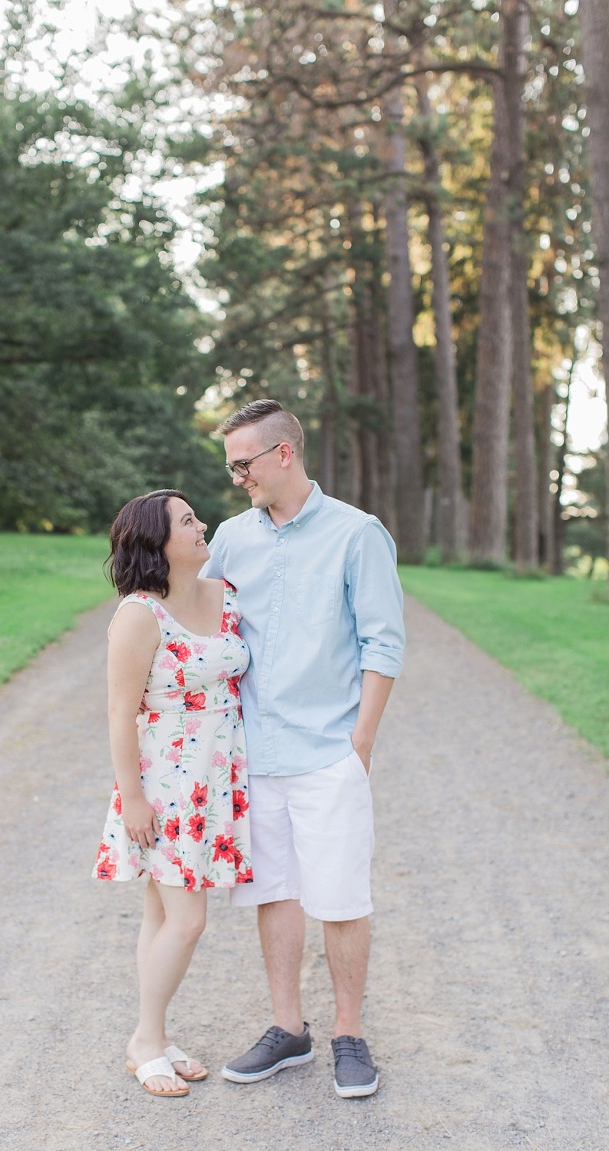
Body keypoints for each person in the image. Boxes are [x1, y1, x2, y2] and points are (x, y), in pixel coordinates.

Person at [203, 399, 405, 1099]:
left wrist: (361, 742)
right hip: (255, 751)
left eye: (244, 464)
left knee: (341, 898)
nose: (238, 478)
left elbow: (383, 642)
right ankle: (288, 1028)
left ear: (283, 453)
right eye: (232, 467)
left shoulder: (358, 533)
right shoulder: (231, 537)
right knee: (274, 891)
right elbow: (200, 619)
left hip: (328, 751)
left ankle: (349, 1032)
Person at [94, 489, 252, 1099]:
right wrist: (133, 798)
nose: (201, 524)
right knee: (187, 921)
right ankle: (144, 1040)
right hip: (165, 786)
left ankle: (155, 1037)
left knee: (161, 915)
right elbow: (119, 712)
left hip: (216, 781)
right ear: (156, 543)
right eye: (187, 521)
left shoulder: (225, 595)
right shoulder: (139, 615)